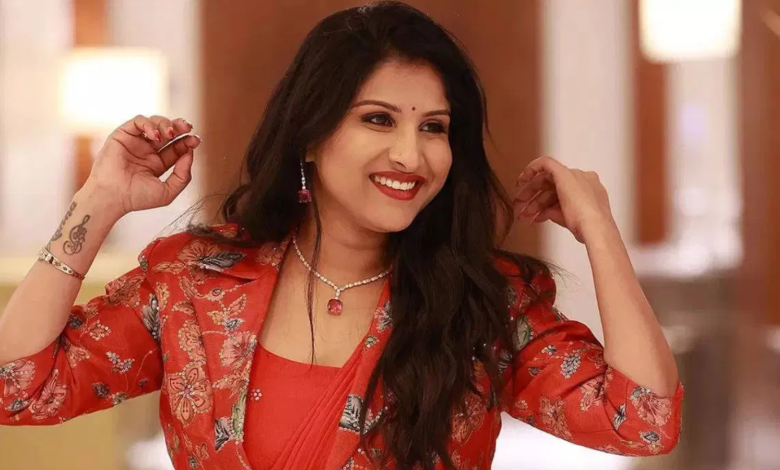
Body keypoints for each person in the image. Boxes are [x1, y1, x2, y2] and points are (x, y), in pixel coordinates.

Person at [0, 2, 683, 469]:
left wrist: (600, 230)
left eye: (434, 128)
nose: (411, 156)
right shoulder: (193, 282)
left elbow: (644, 420)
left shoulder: (483, 305)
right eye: (378, 119)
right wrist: (98, 201)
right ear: (311, 134)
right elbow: (17, 388)